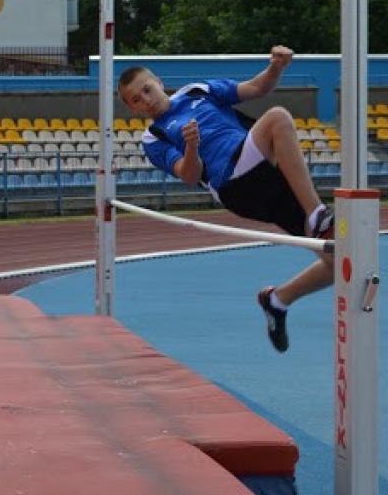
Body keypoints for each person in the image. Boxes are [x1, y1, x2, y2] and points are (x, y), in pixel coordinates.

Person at [118, 46, 334, 353]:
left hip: (264, 172)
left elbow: (258, 87)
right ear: (132, 108)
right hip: (233, 183)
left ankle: (277, 299)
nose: (146, 100)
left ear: (158, 81)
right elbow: (190, 176)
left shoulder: (198, 91)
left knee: (339, 258)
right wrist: (192, 147)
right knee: (277, 118)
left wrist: (276, 67)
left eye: (147, 90)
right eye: (136, 100)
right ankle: (318, 214)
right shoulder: (154, 137)